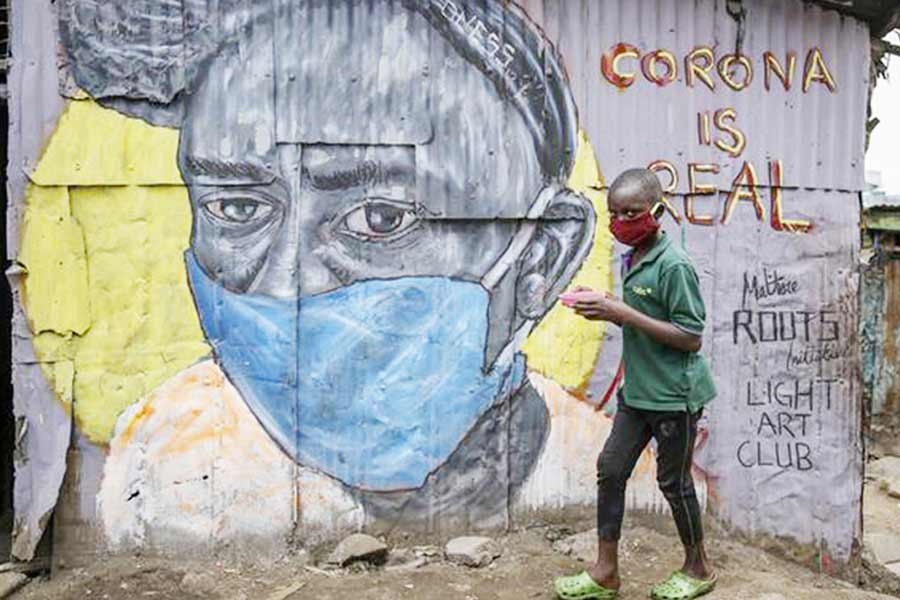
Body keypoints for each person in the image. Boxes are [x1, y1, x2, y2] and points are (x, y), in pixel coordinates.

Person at [58, 0, 624, 549]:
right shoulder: (161, 461)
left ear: (541, 258)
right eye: (237, 208)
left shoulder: (608, 477)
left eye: (381, 219)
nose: (284, 281)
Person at [554, 168, 717, 600]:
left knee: (674, 483)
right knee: (611, 469)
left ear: (657, 212)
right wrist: (607, 304)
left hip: (674, 397)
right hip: (638, 393)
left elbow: (690, 336)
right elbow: (645, 317)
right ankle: (605, 571)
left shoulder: (674, 265)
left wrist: (621, 313)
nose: (622, 221)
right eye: (615, 213)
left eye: (632, 212)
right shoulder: (635, 257)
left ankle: (698, 568)